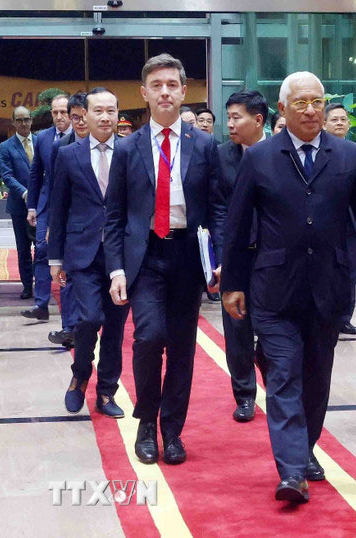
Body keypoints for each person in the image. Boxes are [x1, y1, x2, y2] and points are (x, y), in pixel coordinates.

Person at [221, 71, 356, 504]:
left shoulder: (350, 156)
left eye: (317, 101)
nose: (310, 110)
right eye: (300, 102)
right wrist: (233, 284)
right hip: (275, 290)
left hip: (329, 288)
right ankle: (293, 472)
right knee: (283, 376)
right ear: (282, 110)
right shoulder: (259, 158)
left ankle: (303, 450)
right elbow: (238, 224)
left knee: (316, 381)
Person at [104, 54, 226, 466]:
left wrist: (220, 258)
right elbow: (115, 216)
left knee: (182, 348)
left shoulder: (205, 145)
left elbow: (218, 209)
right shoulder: (128, 148)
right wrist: (117, 268)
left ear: (183, 91)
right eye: (156, 86)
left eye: (172, 85)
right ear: (144, 93)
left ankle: (172, 431)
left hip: (188, 256)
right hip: (146, 257)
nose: (165, 92)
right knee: (148, 338)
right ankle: (146, 423)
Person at [49, 87, 129, 418]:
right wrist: (55, 258)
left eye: (111, 111)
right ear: (86, 114)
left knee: (114, 326)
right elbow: (58, 207)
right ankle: (81, 374)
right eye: (99, 111)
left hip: (121, 255)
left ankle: (107, 392)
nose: (106, 117)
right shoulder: (69, 155)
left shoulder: (130, 152)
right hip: (82, 253)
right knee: (89, 318)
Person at [217, 89, 268, 422]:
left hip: (272, 255)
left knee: (273, 325)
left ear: (258, 120)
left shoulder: (280, 152)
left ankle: (271, 374)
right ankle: (245, 394)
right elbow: (218, 210)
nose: (230, 124)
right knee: (236, 326)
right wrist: (222, 256)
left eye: (237, 117)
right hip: (235, 255)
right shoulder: (221, 156)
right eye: (229, 117)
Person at [22, 93, 71, 326]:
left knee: (69, 256)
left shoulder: (80, 136)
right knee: (41, 250)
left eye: (63, 112)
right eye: (55, 112)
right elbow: (35, 174)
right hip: (46, 204)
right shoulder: (42, 137)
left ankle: (72, 311)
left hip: (73, 206)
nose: (59, 117)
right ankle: (41, 304)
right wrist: (32, 205)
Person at [323, 103, 356, 335]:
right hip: (329, 224)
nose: (339, 123)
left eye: (343, 119)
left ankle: (344, 318)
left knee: (351, 273)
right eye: (334, 119)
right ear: (324, 124)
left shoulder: (354, 152)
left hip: (353, 225)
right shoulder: (319, 151)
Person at [0, 106, 36, 301]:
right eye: (19, 120)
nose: (24, 123)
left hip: (41, 206)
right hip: (19, 205)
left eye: (27, 119)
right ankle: (28, 286)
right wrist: (25, 192)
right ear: (13, 123)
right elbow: (7, 176)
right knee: (23, 248)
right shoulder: (5, 147)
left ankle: (43, 284)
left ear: (32, 121)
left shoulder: (40, 142)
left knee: (43, 247)